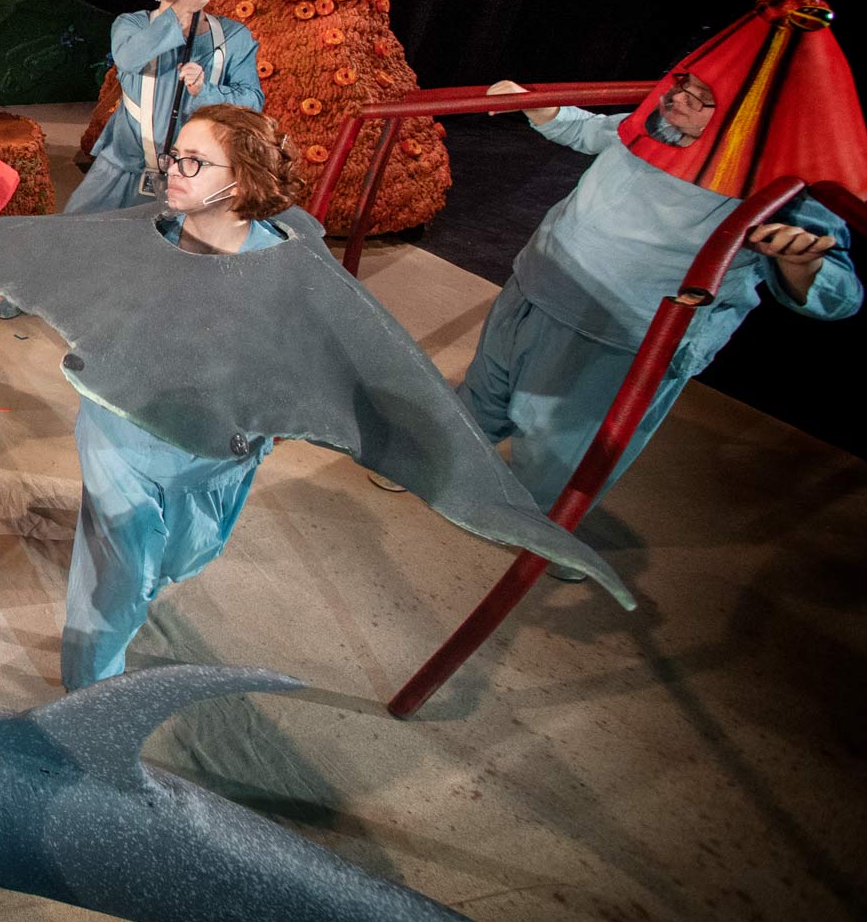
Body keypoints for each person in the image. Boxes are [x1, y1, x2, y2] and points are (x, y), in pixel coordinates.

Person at [408, 76, 859, 575]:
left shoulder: (785, 183)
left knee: (561, 444)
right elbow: (595, 131)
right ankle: (443, 461)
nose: (682, 96)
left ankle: (545, 535)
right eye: (685, 81)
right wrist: (539, 110)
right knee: (486, 389)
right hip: (538, 287)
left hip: (621, 334)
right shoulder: (656, 127)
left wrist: (801, 261)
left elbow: (839, 294)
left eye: (708, 96)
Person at [56, 104, 297, 689]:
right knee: (113, 581)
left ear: (244, 178)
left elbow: (299, 365)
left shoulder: (284, 265)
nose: (174, 171)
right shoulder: (136, 243)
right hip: (124, 438)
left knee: (185, 555)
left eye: (195, 161)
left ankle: (141, 588)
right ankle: (87, 700)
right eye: (174, 157)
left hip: (215, 451)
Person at [0, 0, 261, 317]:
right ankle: (30, 290)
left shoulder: (233, 39)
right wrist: (178, 13)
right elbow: (130, 57)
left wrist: (207, 91)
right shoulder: (132, 24)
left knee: (183, 252)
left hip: (191, 172)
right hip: (125, 161)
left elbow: (252, 100)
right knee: (74, 230)